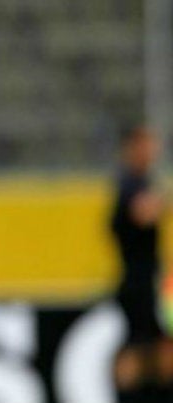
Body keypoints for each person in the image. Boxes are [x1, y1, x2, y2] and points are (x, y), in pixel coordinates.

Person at [110, 125, 173, 403]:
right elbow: (142, 212)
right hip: (137, 282)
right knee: (137, 348)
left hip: (149, 280)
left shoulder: (141, 181)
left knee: (157, 348)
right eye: (147, 143)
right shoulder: (129, 183)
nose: (153, 150)